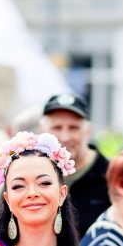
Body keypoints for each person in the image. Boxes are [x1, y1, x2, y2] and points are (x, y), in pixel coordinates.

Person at [40, 93, 110, 236]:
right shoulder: (28, 174)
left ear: (88, 132)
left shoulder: (111, 177)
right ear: (43, 132)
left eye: (73, 128)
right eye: (57, 127)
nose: (65, 137)